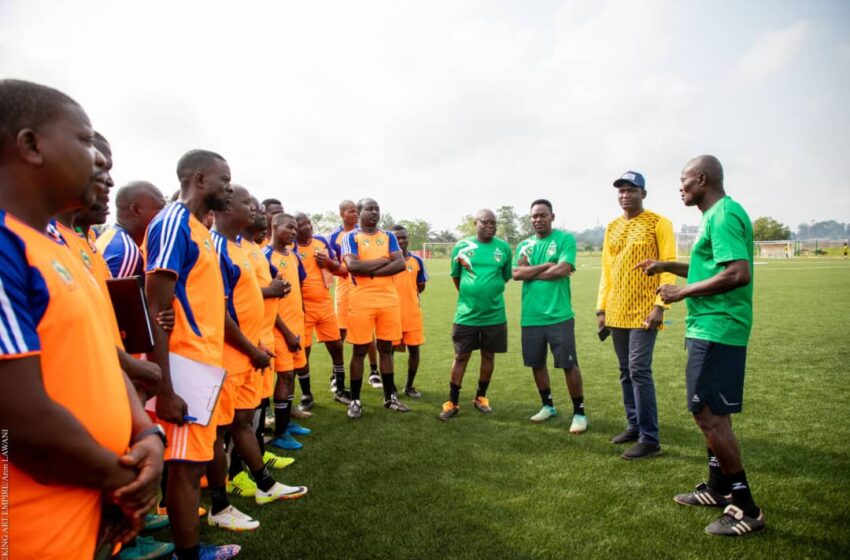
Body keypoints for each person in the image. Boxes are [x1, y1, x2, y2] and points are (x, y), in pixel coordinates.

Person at [0, 79, 163, 559]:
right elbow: (17, 424)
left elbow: (98, 360)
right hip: (29, 528)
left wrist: (145, 434)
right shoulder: (6, 247)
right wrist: (123, 482)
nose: (99, 162)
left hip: (88, 506)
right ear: (31, 145)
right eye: (86, 141)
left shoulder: (57, 247)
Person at [635, 155, 763, 536]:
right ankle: (717, 487)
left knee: (708, 415)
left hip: (718, 328)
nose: (680, 188)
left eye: (683, 181)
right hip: (707, 326)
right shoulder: (715, 216)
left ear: (702, 180)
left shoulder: (723, 215)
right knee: (709, 411)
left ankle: (745, 507)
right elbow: (712, 268)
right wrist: (667, 266)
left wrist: (681, 292)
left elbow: (737, 273)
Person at [143, 149, 241, 559]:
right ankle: (189, 554)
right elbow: (154, 306)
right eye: (224, 179)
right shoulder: (172, 222)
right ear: (200, 180)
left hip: (202, 365)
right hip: (182, 368)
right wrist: (164, 387)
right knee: (184, 468)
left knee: (192, 464)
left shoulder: (200, 229)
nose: (229, 187)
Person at [208, 186, 308, 529]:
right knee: (218, 432)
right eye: (246, 203)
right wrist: (251, 348)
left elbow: (249, 299)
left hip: (251, 350)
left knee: (242, 421)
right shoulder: (216, 247)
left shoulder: (239, 247)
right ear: (225, 206)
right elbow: (217, 311)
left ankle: (264, 485)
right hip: (228, 354)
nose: (254, 209)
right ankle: (219, 505)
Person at [597, 171, 676, 459]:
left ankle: (650, 439)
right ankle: (633, 426)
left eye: (631, 190)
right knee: (624, 371)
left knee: (639, 370)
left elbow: (668, 266)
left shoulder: (659, 223)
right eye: (621, 190)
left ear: (643, 193)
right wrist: (601, 308)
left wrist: (660, 306)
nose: (625, 195)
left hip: (645, 310)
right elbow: (607, 270)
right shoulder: (612, 226)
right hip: (616, 309)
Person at [513, 199, 588, 434]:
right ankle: (548, 406)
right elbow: (516, 274)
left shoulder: (564, 239)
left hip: (559, 315)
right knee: (536, 363)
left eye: (542, 215)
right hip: (531, 316)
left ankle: (579, 413)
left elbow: (563, 269)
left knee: (568, 364)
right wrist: (547, 265)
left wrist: (531, 272)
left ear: (552, 217)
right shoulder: (524, 245)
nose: (538, 219)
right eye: (534, 216)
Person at [439, 209, 512, 420]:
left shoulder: (503, 248)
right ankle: (452, 401)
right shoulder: (462, 246)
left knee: (489, 355)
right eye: (485, 222)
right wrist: (471, 295)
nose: (490, 226)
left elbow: (505, 277)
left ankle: (481, 397)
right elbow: (456, 277)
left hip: (495, 315)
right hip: (466, 315)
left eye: (494, 223)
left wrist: (488, 291)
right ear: (475, 223)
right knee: (461, 356)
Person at [340, 198, 408, 418]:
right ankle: (356, 400)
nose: (374, 212)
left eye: (377, 209)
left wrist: (368, 271)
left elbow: (400, 264)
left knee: (386, 349)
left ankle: (390, 398)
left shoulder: (388, 236)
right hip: (361, 302)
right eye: (369, 209)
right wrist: (382, 260)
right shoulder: (351, 237)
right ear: (359, 213)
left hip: (388, 301)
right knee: (359, 350)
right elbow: (352, 266)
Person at [264, 213, 311, 450]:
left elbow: (297, 292)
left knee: (292, 374)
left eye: (295, 228)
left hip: (296, 328)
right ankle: (280, 433)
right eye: (289, 227)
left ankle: (288, 423)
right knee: (285, 376)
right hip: (279, 330)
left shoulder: (292, 256)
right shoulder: (265, 256)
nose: (294, 232)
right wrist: (286, 332)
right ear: (274, 226)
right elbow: (268, 302)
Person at [294, 212, 349, 407]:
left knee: (336, 346)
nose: (307, 226)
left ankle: (340, 389)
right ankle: (306, 394)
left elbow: (342, 271)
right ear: (294, 228)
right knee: (303, 353)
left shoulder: (321, 243)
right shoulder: (289, 247)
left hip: (324, 304)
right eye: (301, 224)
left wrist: (328, 263)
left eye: (308, 222)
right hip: (303, 308)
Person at [329, 199, 381, 388]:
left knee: (369, 333)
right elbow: (332, 266)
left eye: (355, 211)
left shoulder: (368, 233)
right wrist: (348, 269)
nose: (354, 214)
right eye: (350, 211)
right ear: (341, 213)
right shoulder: (334, 236)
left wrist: (358, 268)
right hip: (344, 289)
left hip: (364, 288)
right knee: (340, 332)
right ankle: (336, 374)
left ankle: (374, 371)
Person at [97, 181, 166, 278]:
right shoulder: (127, 254)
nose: (165, 215)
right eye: (161, 208)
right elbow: (109, 293)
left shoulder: (111, 236)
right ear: (136, 210)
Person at [389, 225, 428, 398]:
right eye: (397, 238)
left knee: (414, 350)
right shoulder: (386, 260)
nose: (402, 241)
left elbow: (421, 286)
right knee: (388, 352)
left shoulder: (416, 261)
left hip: (412, 314)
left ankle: (409, 386)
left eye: (404, 237)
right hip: (390, 315)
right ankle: (390, 387)